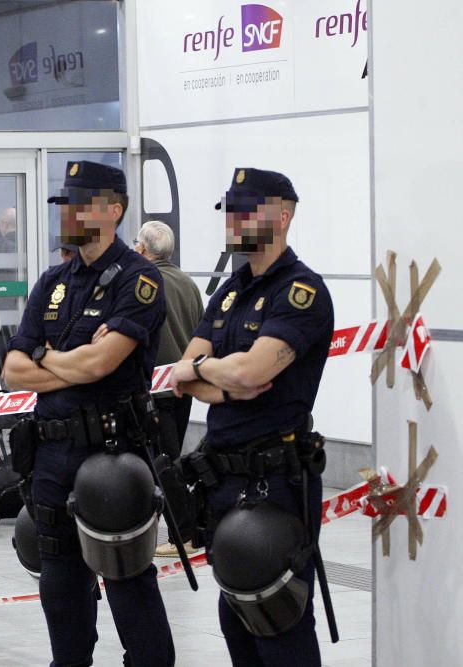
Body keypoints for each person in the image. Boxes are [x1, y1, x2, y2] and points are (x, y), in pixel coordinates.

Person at [2, 161, 174, 666]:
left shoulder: (139, 279)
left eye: (79, 204)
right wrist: (69, 363)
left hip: (111, 454)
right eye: (65, 205)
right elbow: (13, 370)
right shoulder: (54, 280)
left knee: (126, 578)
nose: (68, 213)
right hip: (52, 453)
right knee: (59, 580)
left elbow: (104, 362)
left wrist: (47, 356)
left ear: (113, 210)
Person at [170, 168, 334, 667]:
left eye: (247, 210)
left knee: (277, 614)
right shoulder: (229, 292)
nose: (234, 221)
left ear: (282, 215)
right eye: (230, 210)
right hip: (222, 480)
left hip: (277, 482)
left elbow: (254, 370)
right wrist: (222, 378)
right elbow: (183, 374)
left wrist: (215, 374)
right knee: (235, 616)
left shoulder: (301, 291)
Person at [133, 221, 204, 558]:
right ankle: (177, 529)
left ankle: (185, 534)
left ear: (144, 250)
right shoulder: (189, 284)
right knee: (169, 460)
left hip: (155, 394)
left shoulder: (145, 283)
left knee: (164, 463)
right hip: (184, 387)